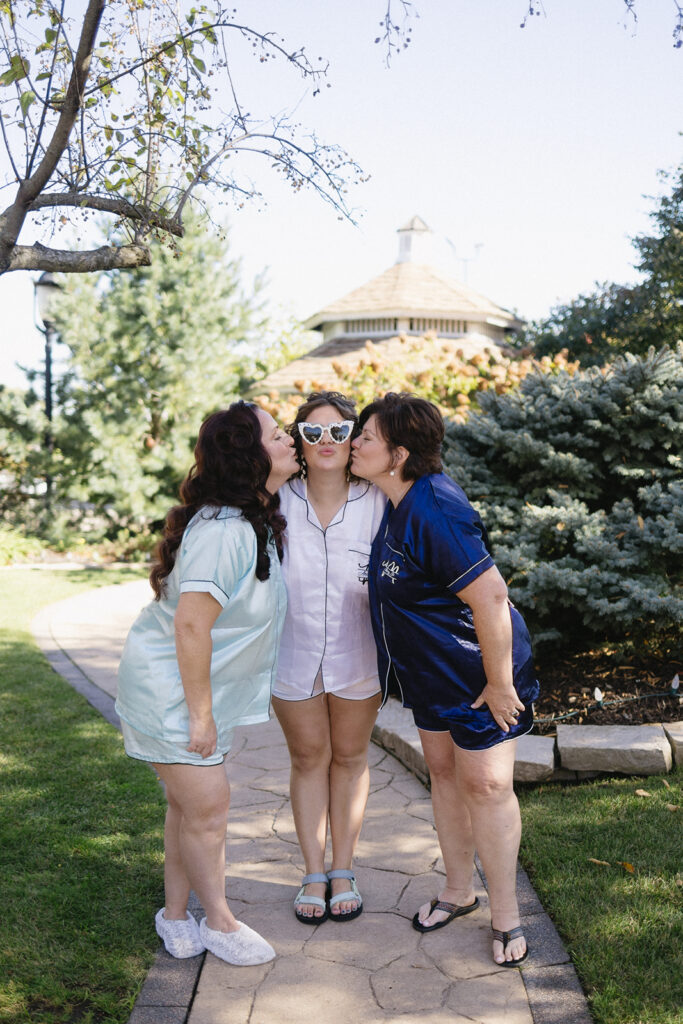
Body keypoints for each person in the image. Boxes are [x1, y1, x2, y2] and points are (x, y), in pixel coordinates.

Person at [351, 393, 539, 967]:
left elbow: (492, 596)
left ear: (398, 453)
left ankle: (507, 917)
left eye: (366, 437)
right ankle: (459, 890)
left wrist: (501, 683)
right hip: (432, 680)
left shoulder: (436, 508)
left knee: (486, 787)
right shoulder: (395, 499)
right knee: (443, 775)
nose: (355, 444)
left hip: (479, 680)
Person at [115, 402, 299, 965]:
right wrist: (199, 715)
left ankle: (175, 917)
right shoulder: (224, 530)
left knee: (188, 809)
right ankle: (219, 923)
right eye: (277, 434)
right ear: (250, 455)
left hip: (190, 690)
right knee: (209, 807)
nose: (290, 438)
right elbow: (192, 623)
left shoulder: (253, 518)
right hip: (171, 694)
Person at [272, 391, 386, 924]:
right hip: (291, 654)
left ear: (352, 438)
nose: (326, 442)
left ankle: (344, 869)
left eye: (339, 432)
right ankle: (313, 873)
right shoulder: (275, 499)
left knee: (350, 758)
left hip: (359, 651)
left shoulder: (378, 501)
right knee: (308, 759)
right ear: (298, 438)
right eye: (312, 432)